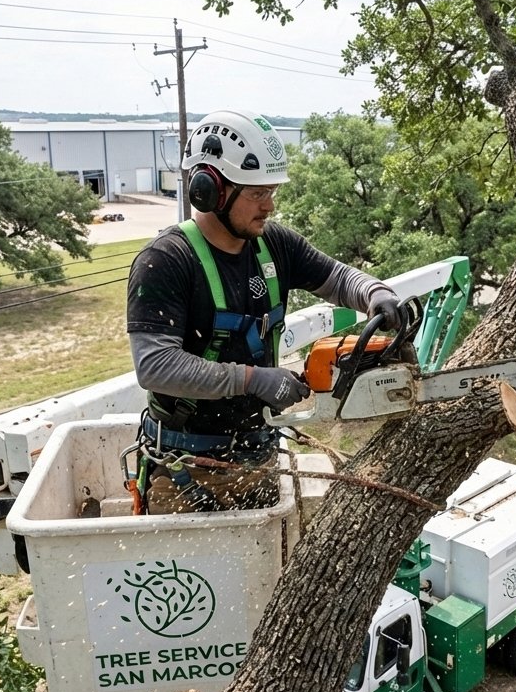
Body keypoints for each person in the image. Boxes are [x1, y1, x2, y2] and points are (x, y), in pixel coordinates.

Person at [126, 109, 402, 514]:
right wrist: (252, 379)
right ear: (210, 189)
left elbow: (337, 278)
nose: (269, 205)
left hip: (258, 453)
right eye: (257, 194)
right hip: (184, 467)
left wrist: (375, 294)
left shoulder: (274, 244)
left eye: (271, 192)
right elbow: (154, 365)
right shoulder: (166, 260)